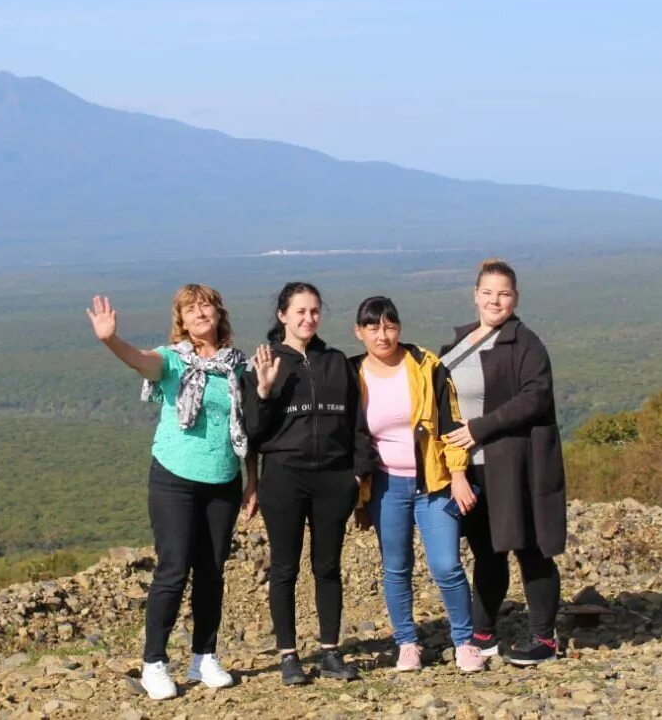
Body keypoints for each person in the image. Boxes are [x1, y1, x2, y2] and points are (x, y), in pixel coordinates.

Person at [86, 285, 248, 699]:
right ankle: (154, 663)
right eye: (190, 308)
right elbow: (141, 361)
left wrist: (254, 480)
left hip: (224, 478)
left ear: (218, 312)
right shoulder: (173, 360)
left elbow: (247, 426)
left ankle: (204, 656)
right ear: (181, 318)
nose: (199, 313)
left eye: (206, 305)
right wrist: (110, 340)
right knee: (173, 568)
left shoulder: (236, 366)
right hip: (174, 478)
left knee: (211, 570)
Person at [440, 259, 567, 666]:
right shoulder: (457, 345)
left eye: (505, 293)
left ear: (516, 298)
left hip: (514, 465)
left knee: (529, 547)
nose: (496, 300)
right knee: (487, 551)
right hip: (471, 467)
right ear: (475, 295)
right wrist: (455, 466)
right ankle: (483, 632)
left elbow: (536, 398)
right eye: (489, 292)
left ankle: (544, 638)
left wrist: (481, 427)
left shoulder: (525, 343)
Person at [350, 296, 485, 673]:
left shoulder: (426, 366)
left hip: (435, 482)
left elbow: (451, 423)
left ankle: (465, 641)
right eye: (373, 327)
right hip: (385, 486)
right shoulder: (352, 374)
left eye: (389, 325)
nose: (383, 334)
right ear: (358, 332)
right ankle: (407, 643)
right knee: (396, 566)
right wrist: (360, 499)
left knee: (446, 565)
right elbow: (352, 437)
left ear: (400, 328)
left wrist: (459, 475)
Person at [242, 282, 367, 686]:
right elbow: (250, 433)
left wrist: (357, 474)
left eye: (314, 311)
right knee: (284, 568)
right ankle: (289, 655)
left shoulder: (336, 362)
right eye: (299, 311)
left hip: (334, 477)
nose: (308, 318)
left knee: (328, 567)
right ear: (282, 315)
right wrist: (262, 390)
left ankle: (331, 651)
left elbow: (358, 423)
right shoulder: (263, 362)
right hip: (284, 476)